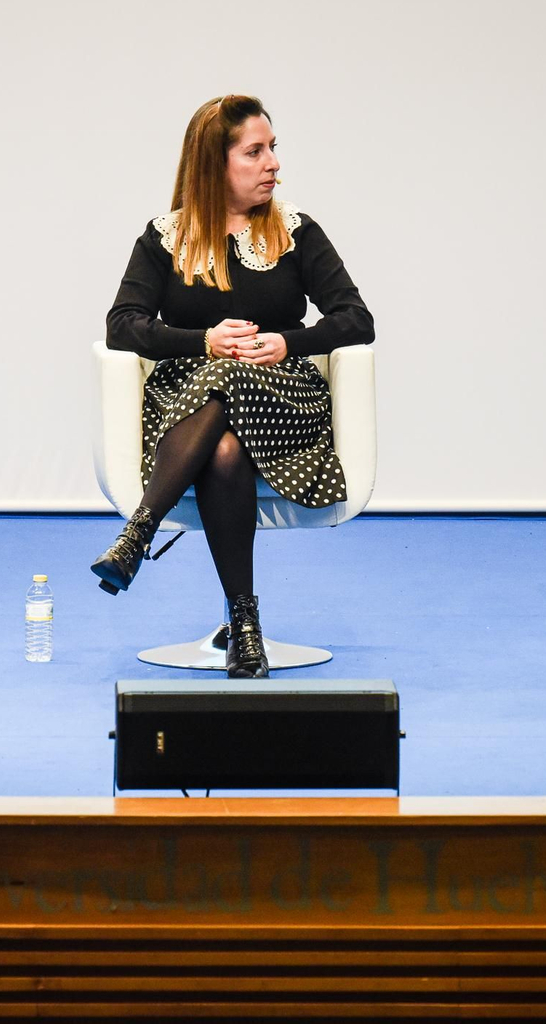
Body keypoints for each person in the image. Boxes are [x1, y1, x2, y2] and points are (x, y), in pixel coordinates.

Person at [93, 95, 375, 678]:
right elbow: (122, 326)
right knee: (222, 449)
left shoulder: (296, 230)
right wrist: (203, 342)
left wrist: (285, 344)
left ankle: (138, 531)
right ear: (213, 164)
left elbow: (356, 318)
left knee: (231, 377)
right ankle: (246, 627)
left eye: (273, 149)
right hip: (193, 409)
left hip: (283, 400)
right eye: (255, 151)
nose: (272, 163)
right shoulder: (165, 237)